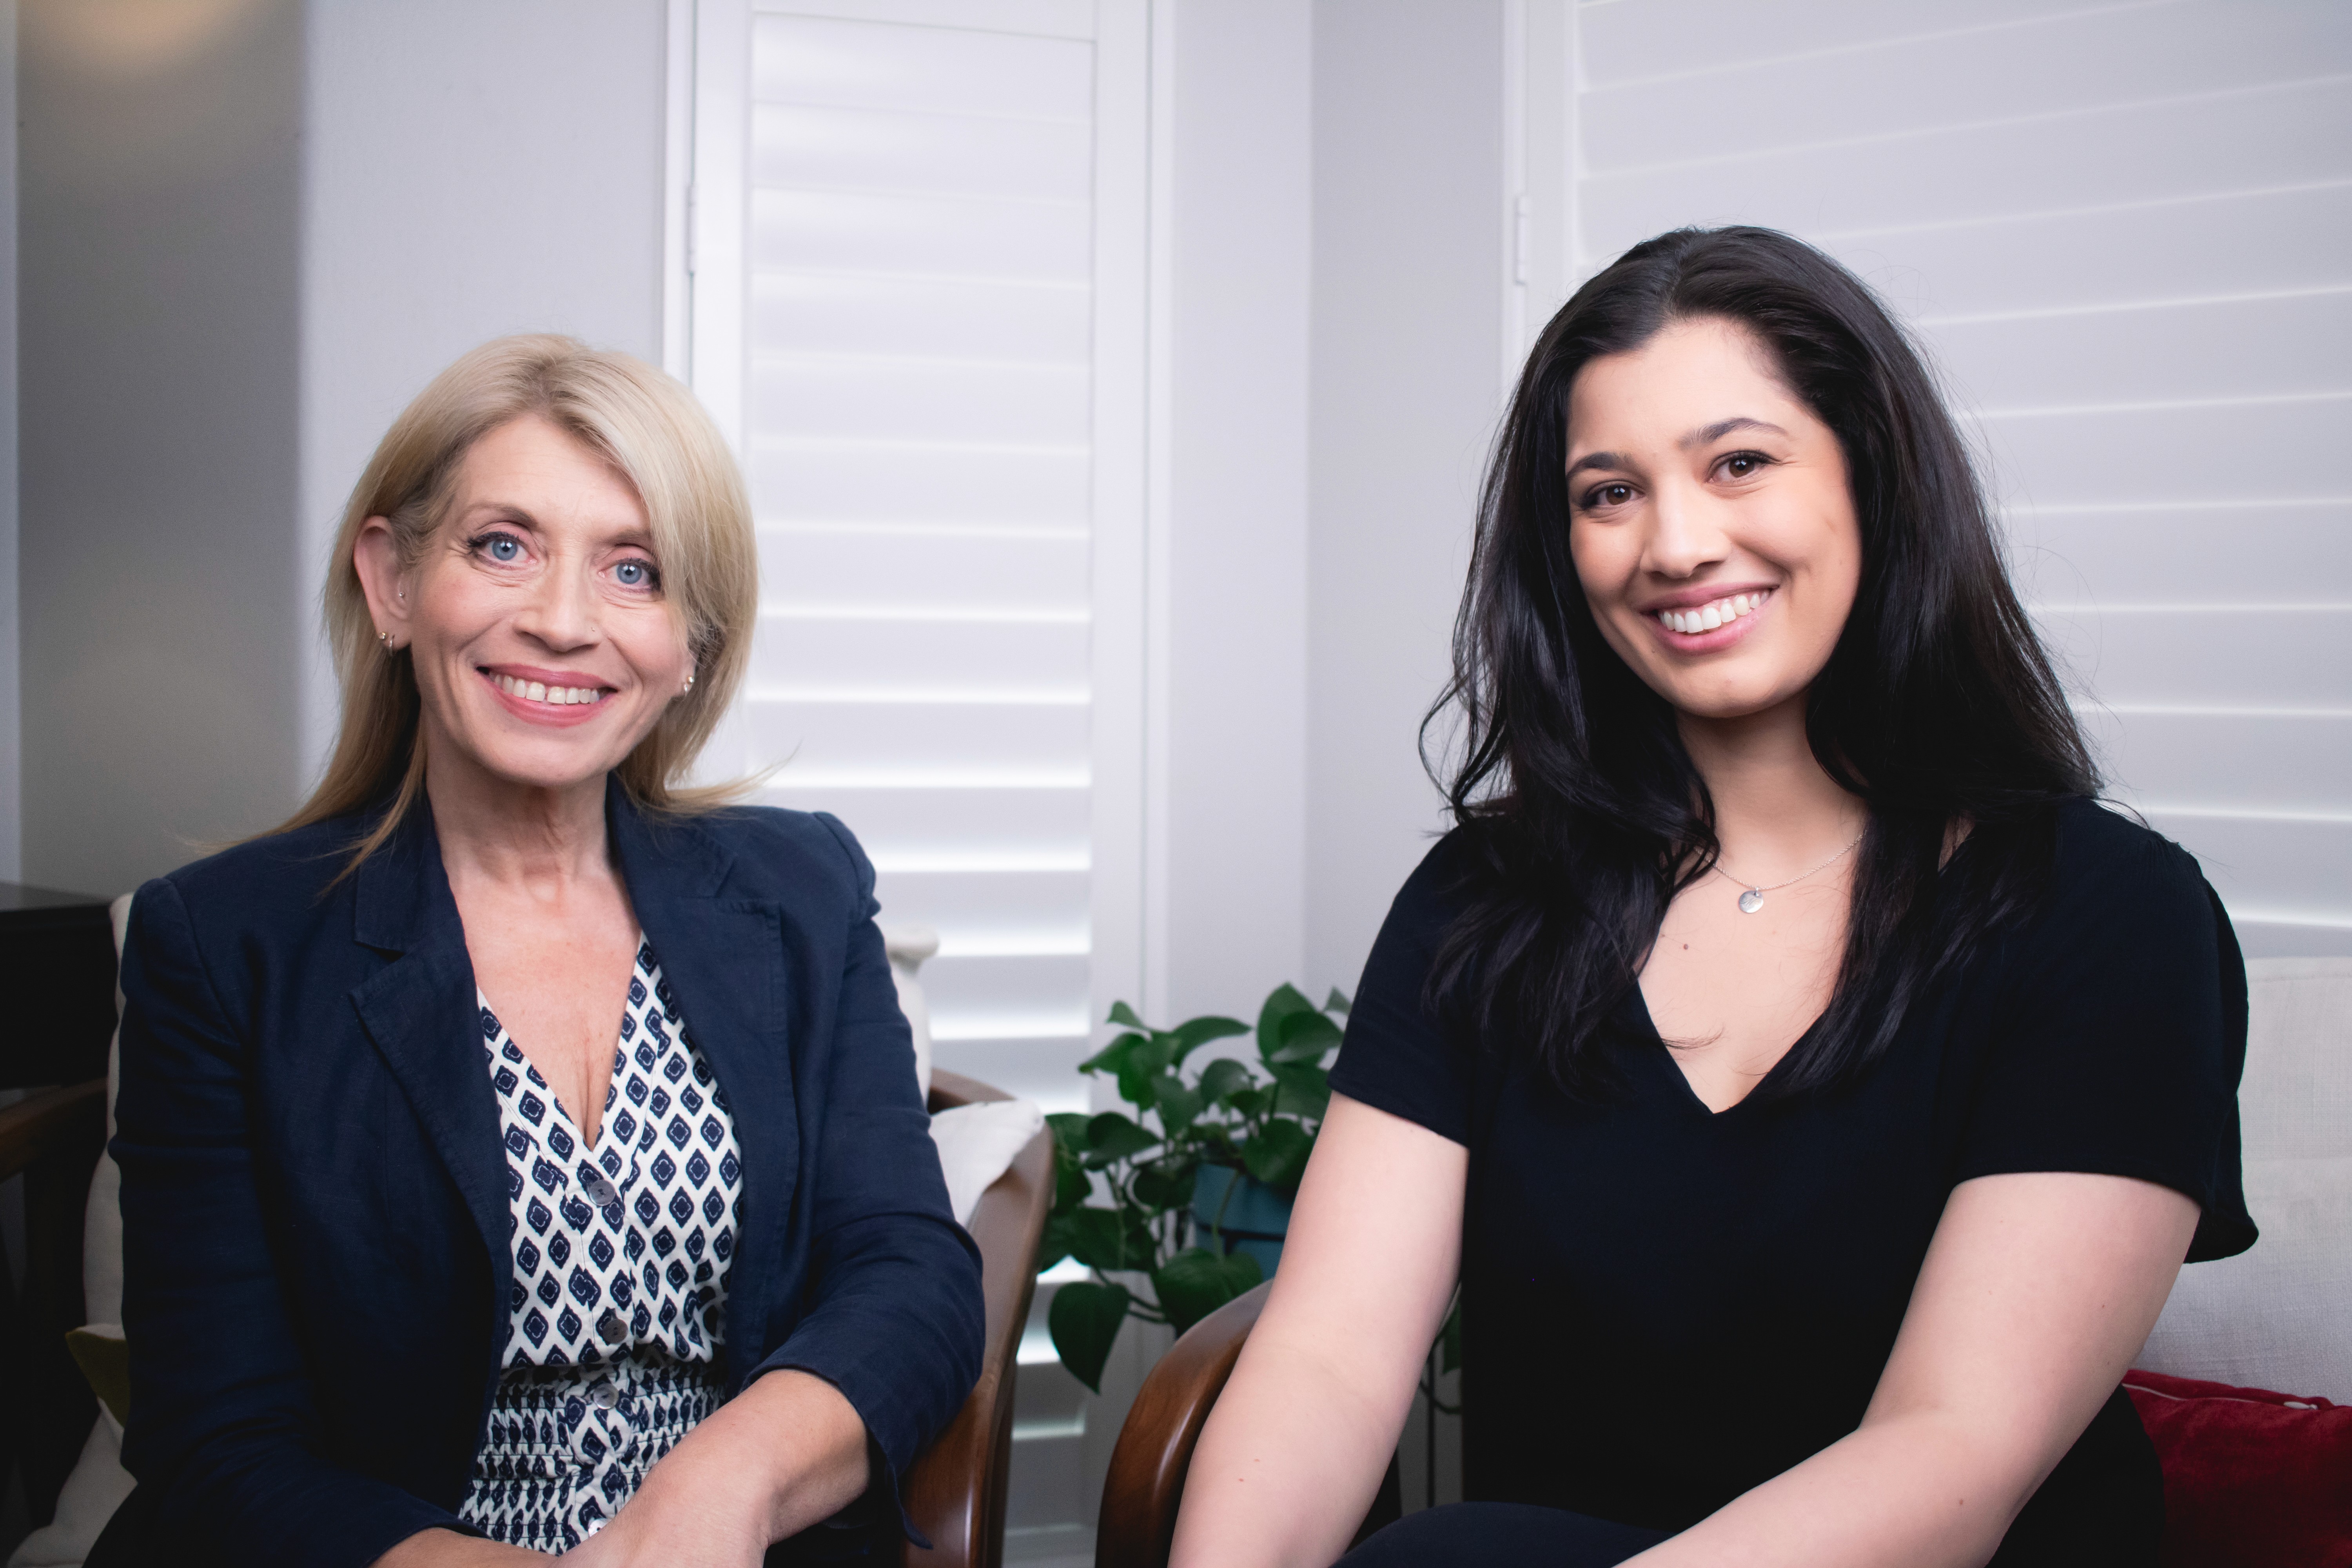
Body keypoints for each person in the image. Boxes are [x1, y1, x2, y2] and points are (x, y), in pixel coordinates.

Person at [1170, 228, 2253, 1568]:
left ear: (1871, 478)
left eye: (1740, 463)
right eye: (1610, 492)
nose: (1676, 545)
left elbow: (1953, 1453)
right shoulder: (1484, 902)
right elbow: (1331, 1356)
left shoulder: (2109, 916)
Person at [104, 336, 983, 1567]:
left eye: (634, 570)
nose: (564, 622)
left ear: (691, 643)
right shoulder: (218, 943)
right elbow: (219, 1438)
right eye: (502, 546)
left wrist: (720, 1491)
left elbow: (911, 1273)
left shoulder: (803, 888)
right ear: (393, 581)